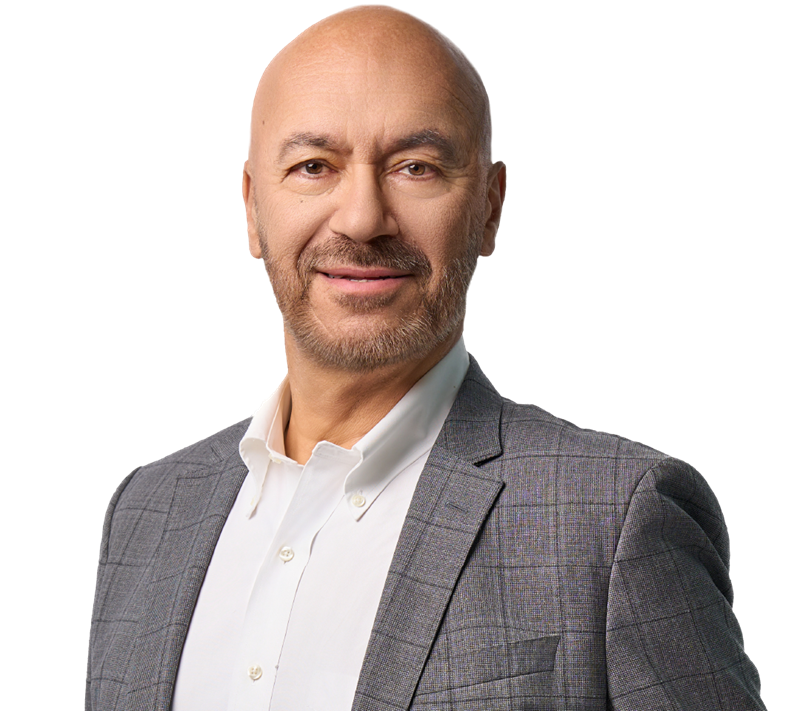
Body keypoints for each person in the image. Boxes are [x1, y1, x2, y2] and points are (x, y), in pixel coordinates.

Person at [85, 5, 766, 710]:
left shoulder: (617, 517)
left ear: (490, 209)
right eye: (313, 166)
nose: (362, 220)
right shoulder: (146, 511)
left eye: (416, 167)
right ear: (253, 208)